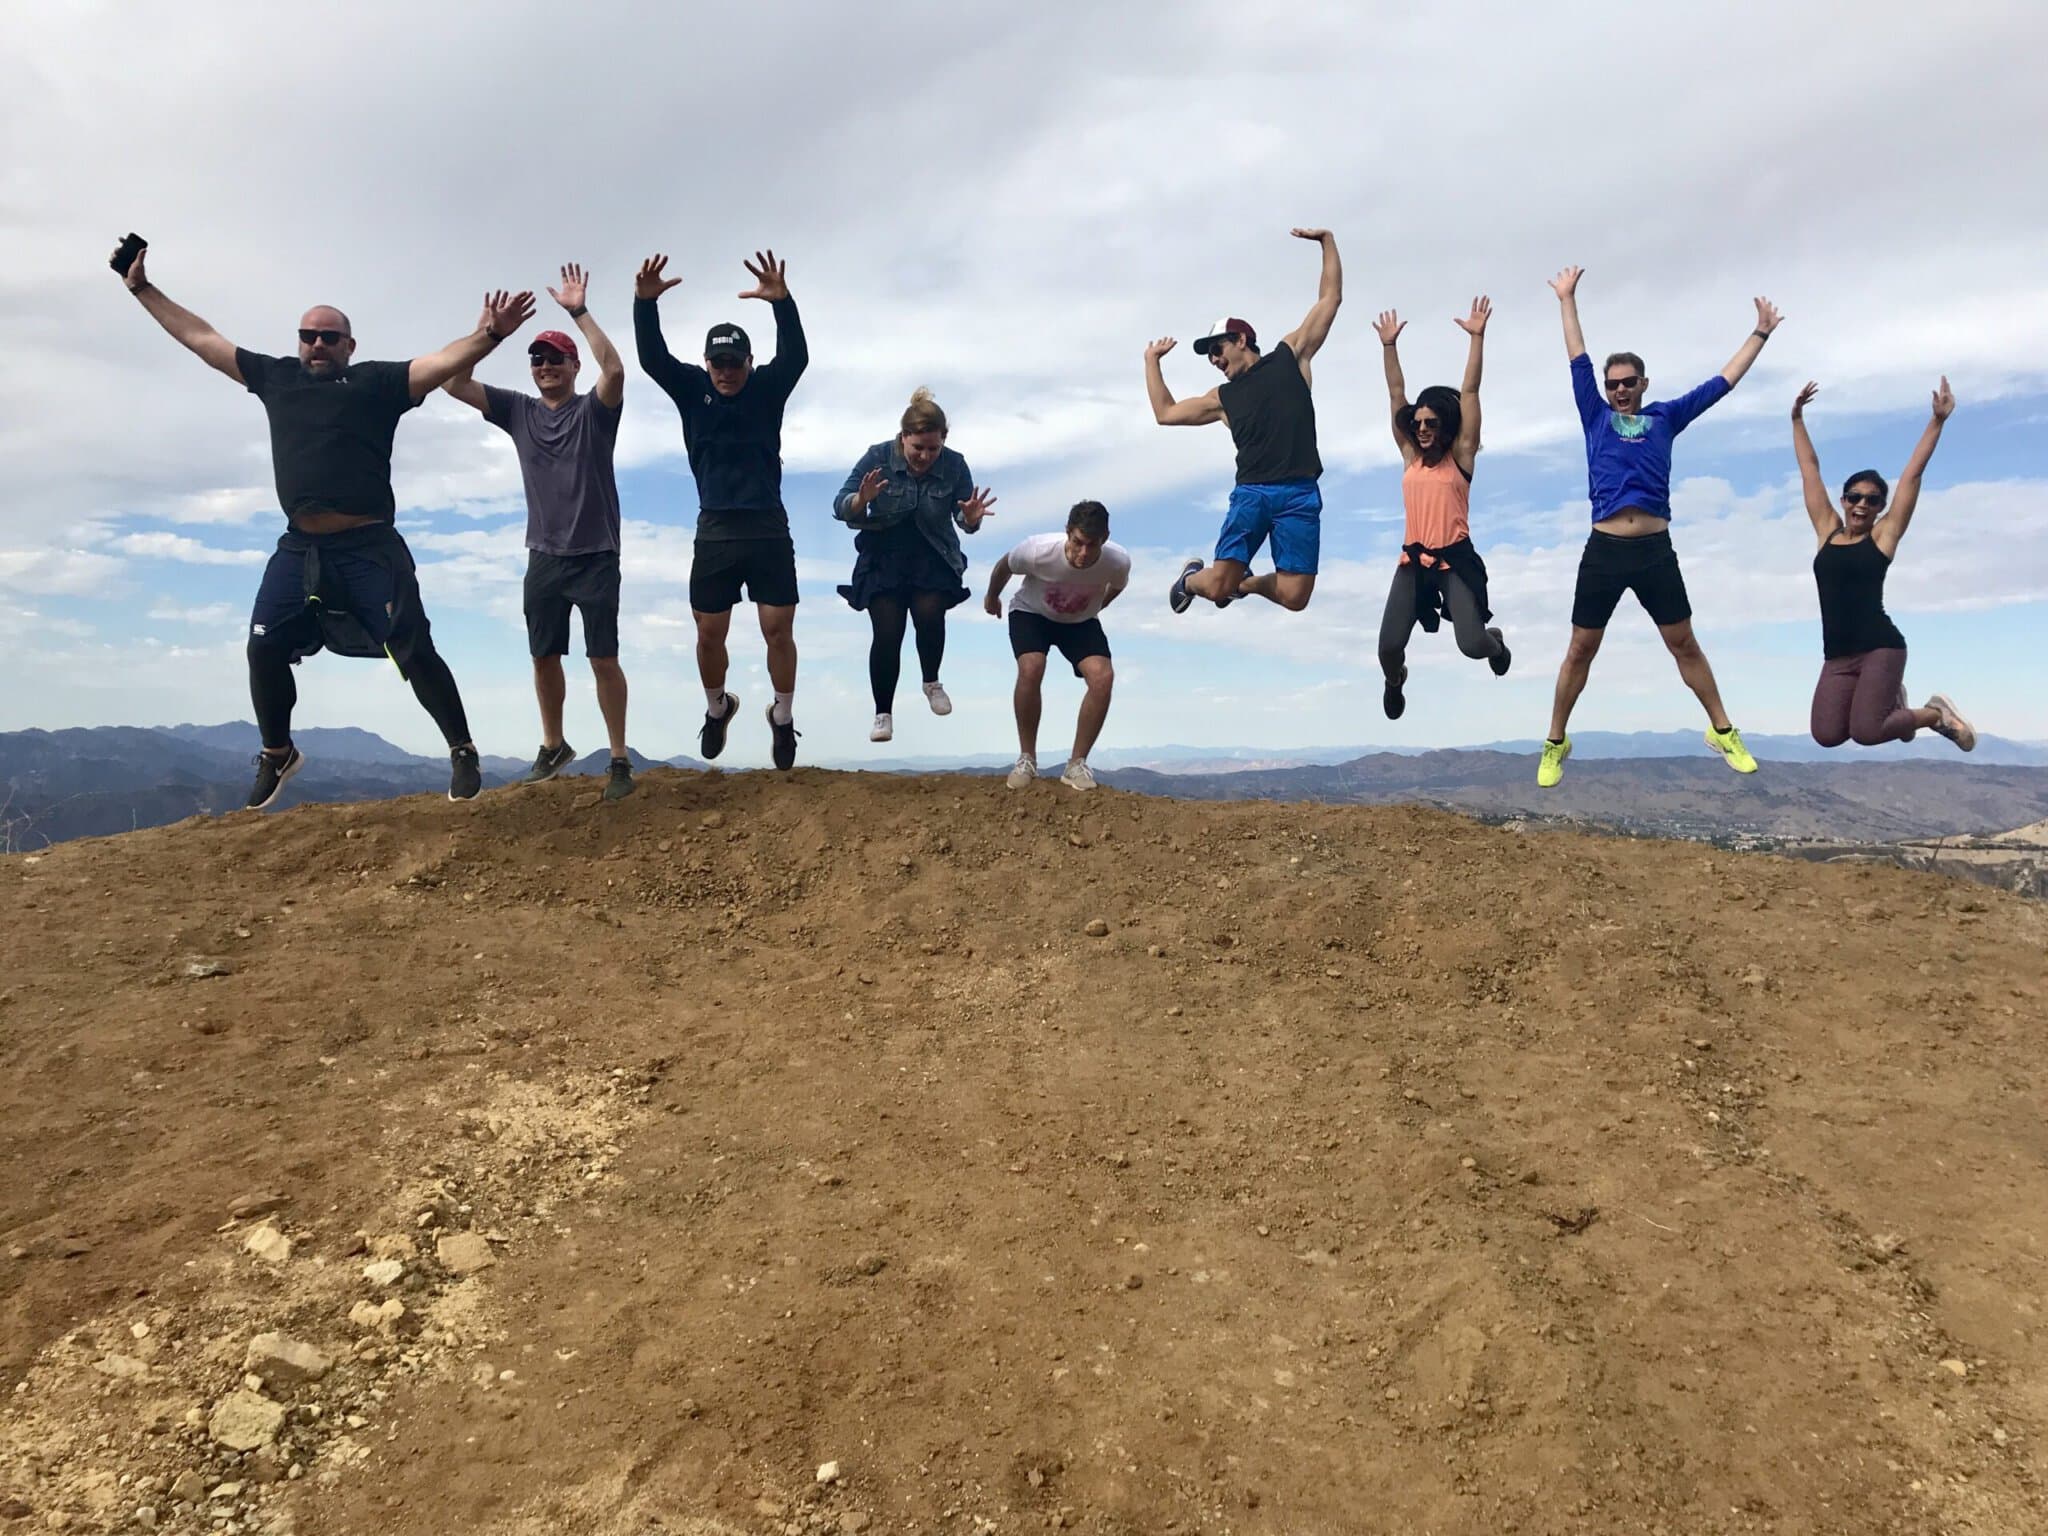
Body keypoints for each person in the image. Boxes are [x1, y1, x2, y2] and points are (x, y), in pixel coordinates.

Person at [114, 239, 531, 810]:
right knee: (262, 647)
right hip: (299, 547)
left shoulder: (378, 384)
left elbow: (439, 363)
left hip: (368, 546)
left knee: (411, 649)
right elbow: (201, 338)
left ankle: (461, 749)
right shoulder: (275, 378)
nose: (315, 344)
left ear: (348, 345)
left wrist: (489, 336)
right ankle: (278, 751)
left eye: (328, 337)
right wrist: (141, 288)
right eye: (307, 335)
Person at [1537, 266, 1780, 787]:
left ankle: (1723, 731)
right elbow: (1576, 354)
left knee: (1684, 644)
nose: (1620, 391)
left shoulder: (1666, 417)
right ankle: (1556, 742)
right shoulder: (1596, 415)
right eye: (1613, 384)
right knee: (1581, 648)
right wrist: (1566, 298)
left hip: (1654, 551)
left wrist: (1759, 333)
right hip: (1604, 550)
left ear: (1644, 384)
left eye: (1629, 383)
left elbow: (1723, 383)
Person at [441, 265, 634, 799]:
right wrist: (487, 335)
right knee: (543, 656)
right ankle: (554, 745)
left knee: (603, 658)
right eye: (538, 359)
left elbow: (615, 370)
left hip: (596, 553)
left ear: (574, 366)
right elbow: (453, 380)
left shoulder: (594, 413)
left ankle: (619, 760)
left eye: (555, 358)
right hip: (544, 555)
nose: (545, 365)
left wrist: (578, 312)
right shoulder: (518, 411)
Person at [634, 249, 809, 770]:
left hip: (767, 527)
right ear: (706, 362)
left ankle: (782, 717)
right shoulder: (691, 389)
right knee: (709, 633)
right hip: (714, 529)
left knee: (778, 630)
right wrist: (645, 304)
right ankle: (718, 707)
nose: (727, 372)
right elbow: (652, 360)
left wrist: (782, 302)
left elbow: (796, 356)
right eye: (718, 363)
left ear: (749, 363)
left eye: (736, 363)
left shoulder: (767, 388)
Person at [1145, 228, 1342, 615]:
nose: (1215, 361)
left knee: (1295, 597)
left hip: (1300, 493)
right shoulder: (1222, 399)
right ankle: (1189, 579)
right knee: (1217, 587)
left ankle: (1245, 583)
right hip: (1252, 493)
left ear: (1241, 340)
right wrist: (1151, 361)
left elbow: (1330, 299)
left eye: (1217, 350)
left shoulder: (1290, 356)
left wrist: (1327, 241)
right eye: (1209, 357)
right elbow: (1165, 413)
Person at [1793, 377, 1973, 752]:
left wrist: (1936, 422)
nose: (1862, 504)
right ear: (1843, 500)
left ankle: (1934, 715)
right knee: (1826, 735)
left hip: (1880, 647)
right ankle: (1895, 703)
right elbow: (1810, 471)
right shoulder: (1827, 530)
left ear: (1880, 509)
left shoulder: (1882, 537)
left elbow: (1912, 476)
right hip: (1837, 656)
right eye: (1855, 497)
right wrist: (1797, 420)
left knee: (1868, 731)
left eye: (1873, 500)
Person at [1372, 296, 1511, 719]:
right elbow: (1397, 393)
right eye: (1418, 423)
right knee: (1388, 647)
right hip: (1413, 562)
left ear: (1446, 426)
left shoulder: (1461, 459)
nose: (1423, 428)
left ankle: (1496, 642)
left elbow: (1470, 391)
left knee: (1471, 645)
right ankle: (1396, 681)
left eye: (1432, 423)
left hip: (1454, 560)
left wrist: (1477, 339)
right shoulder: (1411, 457)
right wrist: (1389, 347)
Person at [833, 389, 997, 742]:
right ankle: (883, 713)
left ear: (943, 443)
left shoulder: (954, 465)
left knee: (929, 612)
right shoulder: (876, 457)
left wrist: (970, 517)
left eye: (932, 449)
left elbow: (964, 517)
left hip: (932, 553)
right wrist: (861, 499)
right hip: (884, 553)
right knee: (888, 630)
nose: (924, 456)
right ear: (903, 437)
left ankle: (931, 682)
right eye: (917, 448)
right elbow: (840, 505)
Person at [983, 501, 1129, 792]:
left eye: (1093, 545)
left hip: (1079, 621)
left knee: (1103, 677)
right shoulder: (1038, 550)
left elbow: (1118, 585)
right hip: (1031, 613)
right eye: (1078, 542)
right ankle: (1027, 759)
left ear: (1106, 538)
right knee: (1032, 666)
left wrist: (1097, 607)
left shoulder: (1117, 561)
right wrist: (991, 596)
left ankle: (1076, 764)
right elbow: (1004, 566)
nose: (1084, 553)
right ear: (1067, 533)